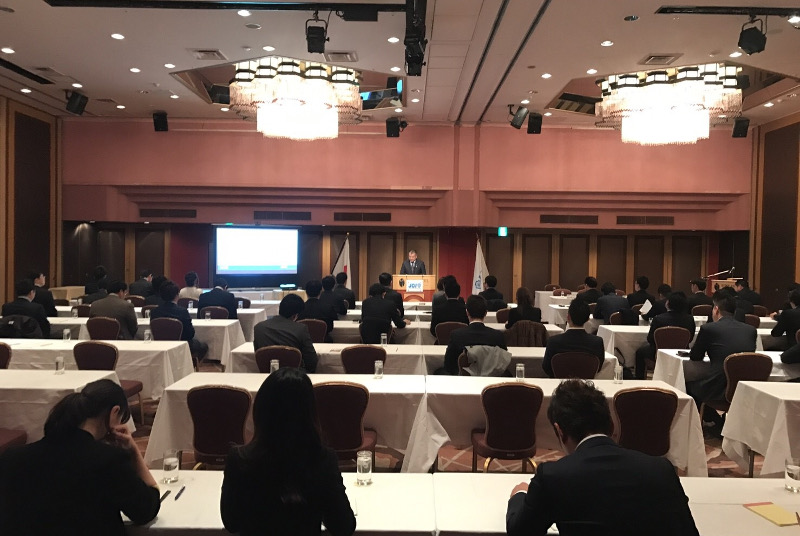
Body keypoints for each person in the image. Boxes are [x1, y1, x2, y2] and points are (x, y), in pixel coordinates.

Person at [506, 379, 699, 536]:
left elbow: (520, 531)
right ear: (612, 425)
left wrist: (519, 495)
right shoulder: (660, 469)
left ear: (559, 431)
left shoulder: (552, 476)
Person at [0, 379, 160, 535]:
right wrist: (133, 451)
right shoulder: (108, 459)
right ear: (114, 412)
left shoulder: (12, 457)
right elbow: (146, 510)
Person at [221, 368, 356, 536]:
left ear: (260, 410)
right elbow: (344, 527)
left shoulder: (240, 460)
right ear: (310, 413)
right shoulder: (322, 460)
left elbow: (231, 522)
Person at [688, 290, 757, 436]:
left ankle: (704, 426)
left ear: (716, 309)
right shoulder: (750, 330)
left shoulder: (708, 328)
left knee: (688, 385)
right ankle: (720, 423)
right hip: (745, 386)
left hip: (718, 385)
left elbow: (695, 356)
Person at [634, 292, 696, 379]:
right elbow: (690, 338)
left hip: (658, 352)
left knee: (640, 352)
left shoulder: (658, 319)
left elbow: (650, 339)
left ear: (668, 304)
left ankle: (639, 379)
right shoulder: (689, 319)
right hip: (681, 352)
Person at [441, 295, 506, 375]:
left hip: (463, 380)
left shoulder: (456, 335)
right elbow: (503, 364)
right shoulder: (497, 336)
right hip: (491, 379)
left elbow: (448, 365)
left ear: (467, 312)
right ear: (486, 313)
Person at [253, 294, 318, 372]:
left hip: (266, 375)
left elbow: (258, 356)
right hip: (294, 375)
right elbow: (311, 361)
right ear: (295, 315)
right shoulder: (301, 329)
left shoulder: (258, 328)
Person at [542, 299, 604, 378]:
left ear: (568, 317)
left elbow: (546, 367)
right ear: (588, 319)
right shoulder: (597, 342)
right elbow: (598, 368)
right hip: (586, 384)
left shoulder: (553, 341)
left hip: (559, 384)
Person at [149, 281, 209, 358]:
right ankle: (191, 363)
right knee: (203, 346)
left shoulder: (154, 312)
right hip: (181, 345)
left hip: (160, 345)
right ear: (177, 295)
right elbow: (190, 333)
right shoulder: (182, 311)